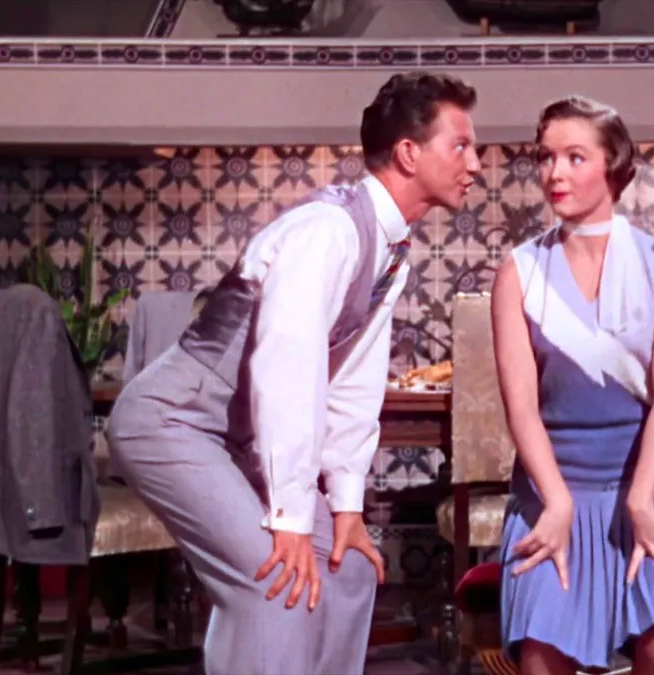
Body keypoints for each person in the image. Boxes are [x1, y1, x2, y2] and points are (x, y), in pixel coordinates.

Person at [106, 72, 481, 675]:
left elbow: (352, 382)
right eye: (460, 146)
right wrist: (289, 518)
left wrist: (347, 508)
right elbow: (289, 369)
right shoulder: (328, 231)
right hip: (172, 422)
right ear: (410, 153)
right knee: (276, 580)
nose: (475, 164)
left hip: (236, 439)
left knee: (348, 569)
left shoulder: (391, 252)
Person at [491, 95, 654, 674]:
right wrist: (556, 502)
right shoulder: (519, 272)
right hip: (552, 493)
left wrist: (642, 499)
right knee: (541, 655)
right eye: (545, 157)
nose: (554, 173)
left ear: (614, 166)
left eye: (575, 157)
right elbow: (520, 406)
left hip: (647, 491)